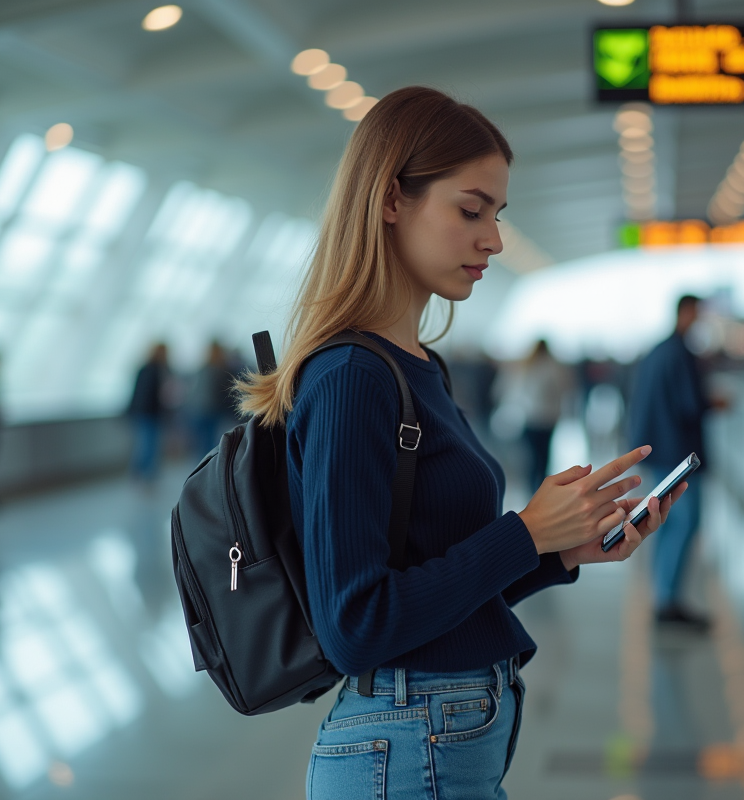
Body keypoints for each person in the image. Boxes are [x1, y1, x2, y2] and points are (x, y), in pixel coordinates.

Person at [234, 86, 687, 799]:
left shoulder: (416, 366)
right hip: (407, 746)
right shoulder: (353, 376)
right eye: (470, 210)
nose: (494, 240)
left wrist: (556, 550)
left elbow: (434, 579)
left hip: (436, 741)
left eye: (498, 215)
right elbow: (357, 624)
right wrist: (523, 531)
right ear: (390, 200)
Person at [628, 294, 720, 630]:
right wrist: (716, 403)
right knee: (685, 522)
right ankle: (667, 602)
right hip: (679, 455)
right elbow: (690, 404)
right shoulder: (681, 354)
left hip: (658, 451)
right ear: (686, 312)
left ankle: (664, 595)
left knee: (667, 523)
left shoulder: (658, 351)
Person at [493, 340, 573, 491]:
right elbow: (565, 389)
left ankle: (533, 487)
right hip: (547, 417)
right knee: (543, 455)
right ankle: (541, 486)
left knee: (533, 456)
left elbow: (512, 391)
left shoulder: (526, 366)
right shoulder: (553, 366)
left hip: (530, 417)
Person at [127, 343, 169, 483]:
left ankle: (145, 474)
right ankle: (144, 474)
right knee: (148, 445)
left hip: (144, 412)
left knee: (147, 444)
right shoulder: (156, 370)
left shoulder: (145, 369)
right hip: (149, 412)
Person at [188, 340, 239, 456]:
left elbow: (195, 390)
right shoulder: (222, 369)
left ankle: (201, 466)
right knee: (212, 440)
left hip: (199, 408)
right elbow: (226, 392)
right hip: (214, 409)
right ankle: (209, 465)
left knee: (201, 441)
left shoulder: (203, 368)